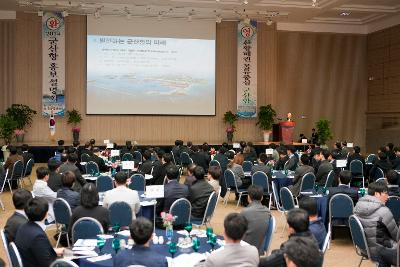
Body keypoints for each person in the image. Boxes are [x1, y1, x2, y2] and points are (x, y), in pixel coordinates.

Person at [354, 181, 398, 267]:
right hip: (380, 252)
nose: (388, 197)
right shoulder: (383, 211)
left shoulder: (357, 207)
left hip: (364, 248)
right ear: (377, 194)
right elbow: (396, 236)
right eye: (385, 193)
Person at [14, 197, 64, 267]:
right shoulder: (38, 236)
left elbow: (36, 250)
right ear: (46, 214)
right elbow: (48, 264)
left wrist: (53, 251)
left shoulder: (22, 227)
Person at [240, 185, 271, 255]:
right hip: (259, 249)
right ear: (262, 198)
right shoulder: (268, 212)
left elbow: (236, 232)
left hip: (244, 250)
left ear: (248, 197)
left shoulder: (245, 212)